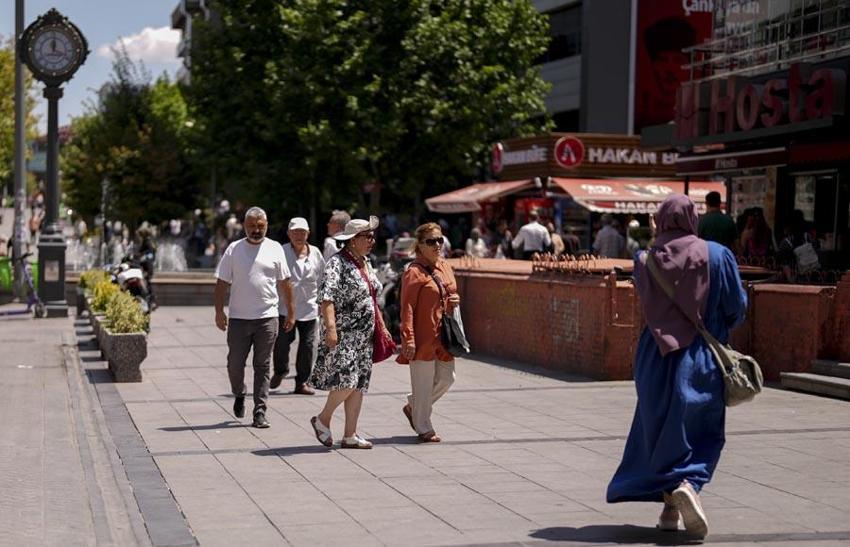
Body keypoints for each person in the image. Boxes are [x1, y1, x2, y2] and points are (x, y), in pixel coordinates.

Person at [606, 194, 747, 539]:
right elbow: (736, 307)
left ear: (660, 220)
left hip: (654, 357)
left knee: (661, 432)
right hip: (700, 356)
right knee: (702, 428)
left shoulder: (644, 260)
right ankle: (688, 484)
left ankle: (669, 511)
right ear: (692, 218)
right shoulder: (718, 255)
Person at [214, 207, 295, 429]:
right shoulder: (234, 249)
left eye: (260, 226)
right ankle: (239, 392)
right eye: (252, 226)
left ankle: (260, 411)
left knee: (262, 365)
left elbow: (285, 282)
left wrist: (291, 312)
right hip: (239, 319)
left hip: (267, 318)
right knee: (234, 364)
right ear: (244, 226)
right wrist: (219, 311)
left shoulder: (275, 248)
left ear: (266, 225)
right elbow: (221, 282)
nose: (256, 230)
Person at [309, 216, 383, 449]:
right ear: (352, 240)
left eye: (372, 236)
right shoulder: (337, 263)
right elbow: (326, 297)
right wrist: (331, 329)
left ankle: (350, 434)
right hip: (344, 334)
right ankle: (322, 419)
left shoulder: (365, 262)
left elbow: (371, 296)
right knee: (348, 381)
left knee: (359, 384)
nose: (372, 240)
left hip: (364, 336)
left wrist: (381, 326)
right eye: (367, 236)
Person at [397, 223, 460, 442]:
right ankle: (424, 427)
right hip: (423, 336)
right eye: (431, 241)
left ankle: (413, 406)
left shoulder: (445, 266)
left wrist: (454, 300)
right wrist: (409, 339)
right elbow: (407, 307)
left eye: (440, 240)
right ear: (420, 245)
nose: (437, 245)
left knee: (447, 378)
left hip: (443, 335)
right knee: (422, 384)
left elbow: (449, 293)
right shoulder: (413, 272)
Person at [271, 217, 326, 395]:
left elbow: (322, 279)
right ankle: (280, 370)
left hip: (309, 307)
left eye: (302, 232)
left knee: (308, 345)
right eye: (295, 232)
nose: (299, 236)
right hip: (285, 308)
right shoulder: (281, 251)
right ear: (289, 234)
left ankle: (302, 382)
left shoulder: (315, 252)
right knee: (281, 343)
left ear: (308, 234)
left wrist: (322, 302)